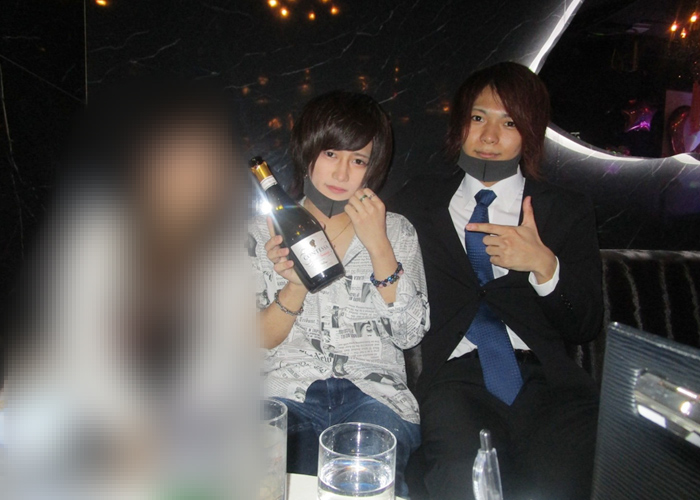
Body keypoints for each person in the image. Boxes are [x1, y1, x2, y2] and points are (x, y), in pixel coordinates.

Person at [391, 62, 602, 500]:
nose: (489, 137)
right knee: (462, 482)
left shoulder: (565, 209)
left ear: (530, 132)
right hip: (454, 381)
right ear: (460, 125)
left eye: (509, 123)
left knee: (563, 485)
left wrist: (544, 265)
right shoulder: (419, 200)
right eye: (478, 118)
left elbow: (585, 324)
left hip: (550, 384)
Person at [248, 90, 429, 497]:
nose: (342, 172)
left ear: (372, 168)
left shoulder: (396, 230)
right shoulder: (259, 233)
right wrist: (295, 286)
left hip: (373, 395)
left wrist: (378, 246)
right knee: (260, 481)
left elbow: (409, 334)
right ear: (308, 152)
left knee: (364, 485)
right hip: (284, 391)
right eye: (331, 153)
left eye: (358, 160)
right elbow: (254, 343)